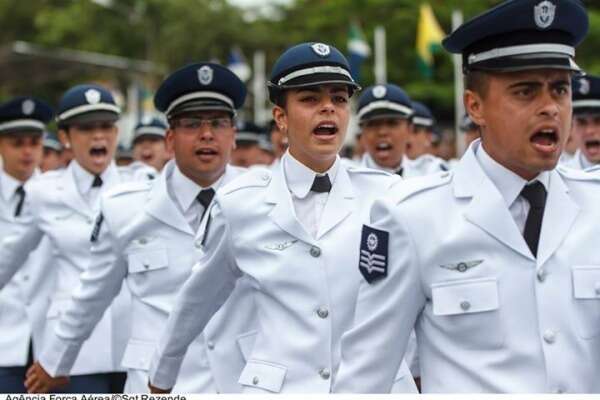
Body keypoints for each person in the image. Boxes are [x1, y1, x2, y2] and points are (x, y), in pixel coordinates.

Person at [334, 0, 599, 393]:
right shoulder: (413, 217)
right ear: (475, 106)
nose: (550, 109)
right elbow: (366, 377)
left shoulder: (594, 205)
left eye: (559, 89)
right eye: (525, 92)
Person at [147, 42, 417, 394]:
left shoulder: (387, 196)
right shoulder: (240, 204)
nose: (328, 109)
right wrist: (161, 377)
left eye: (338, 99)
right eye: (309, 99)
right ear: (281, 118)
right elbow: (196, 300)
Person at [24, 62, 256, 393]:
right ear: (170, 138)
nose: (207, 134)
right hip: (153, 382)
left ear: (233, 134)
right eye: (192, 124)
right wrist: (55, 360)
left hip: (239, 380)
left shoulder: (261, 199)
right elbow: (93, 292)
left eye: (219, 123)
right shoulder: (126, 207)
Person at [0, 84, 152, 393]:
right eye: (86, 128)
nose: (99, 136)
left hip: (134, 343)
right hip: (72, 353)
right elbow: (8, 259)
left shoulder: (142, 184)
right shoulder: (43, 193)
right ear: (66, 137)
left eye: (106, 126)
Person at [0, 97, 55, 393]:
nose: (26, 151)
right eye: (17, 142)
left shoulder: (59, 195)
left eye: (34, 142)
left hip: (49, 346)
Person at [564, 75, 600, 171]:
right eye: (582, 122)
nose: (589, 131)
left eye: (598, 121)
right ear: (572, 128)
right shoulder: (555, 178)